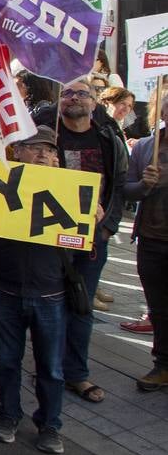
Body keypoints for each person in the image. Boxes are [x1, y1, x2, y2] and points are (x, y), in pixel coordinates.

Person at [36, 78, 128, 406]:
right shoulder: (45, 135)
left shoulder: (107, 138)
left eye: (82, 93)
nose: (74, 98)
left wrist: (107, 227)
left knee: (81, 305)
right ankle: (49, 369)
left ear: (94, 102)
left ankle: (76, 372)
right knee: (48, 305)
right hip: (49, 238)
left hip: (91, 240)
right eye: (68, 93)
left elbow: (119, 185)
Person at [0, 126, 69, 454]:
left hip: (50, 293)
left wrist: (97, 221)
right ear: (17, 152)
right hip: (4, 289)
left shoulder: (74, 192)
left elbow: (89, 247)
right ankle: (8, 415)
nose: (44, 155)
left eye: (49, 150)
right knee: (6, 361)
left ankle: (49, 425)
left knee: (51, 366)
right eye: (35, 148)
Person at [122, 93, 168, 390]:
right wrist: (144, 185)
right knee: (159, 308)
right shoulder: (147, 147)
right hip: (152, 239)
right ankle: (163, 364)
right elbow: (127, 189)